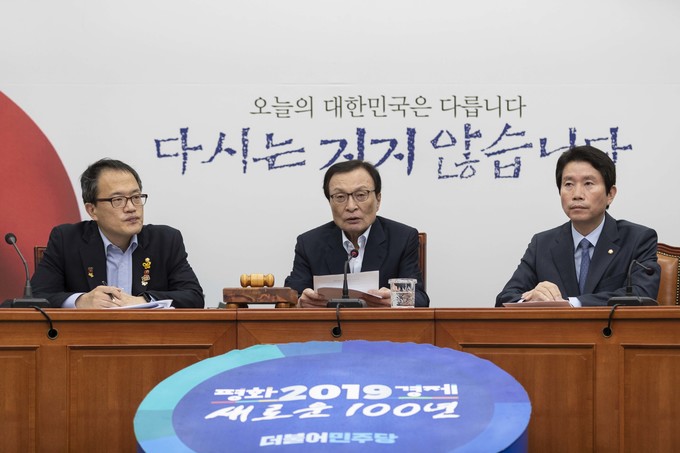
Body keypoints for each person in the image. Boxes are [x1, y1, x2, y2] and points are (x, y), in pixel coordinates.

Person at [496, 145, 660, 307]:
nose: (577, 195)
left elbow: (642, 294)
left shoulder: (637, 239)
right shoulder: (542, 244)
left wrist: (571, 304)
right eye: (568, 184)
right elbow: (504, 299)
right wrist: (530, 300)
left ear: (610, 194)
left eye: (588, 183)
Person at [31, 158, 205, 308]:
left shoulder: (165, 241)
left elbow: (194, 297)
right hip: (88, 335)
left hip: (147, 335)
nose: (131, 208)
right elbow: (36, 297)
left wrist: (143, 301)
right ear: (92, 210)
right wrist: (81, 301)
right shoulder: (66, 240)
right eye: (118, 200)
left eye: (136, 197)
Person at [285, 160, 429, 307]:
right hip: (328, 323)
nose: (351, 206)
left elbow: (420, 299)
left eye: (361, 195)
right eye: (340, 197)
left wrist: (395, 300)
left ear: (378, 200)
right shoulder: (309, 244)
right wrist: (300, 302)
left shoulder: (402, 239)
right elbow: (288, 298)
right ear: (330, 202)